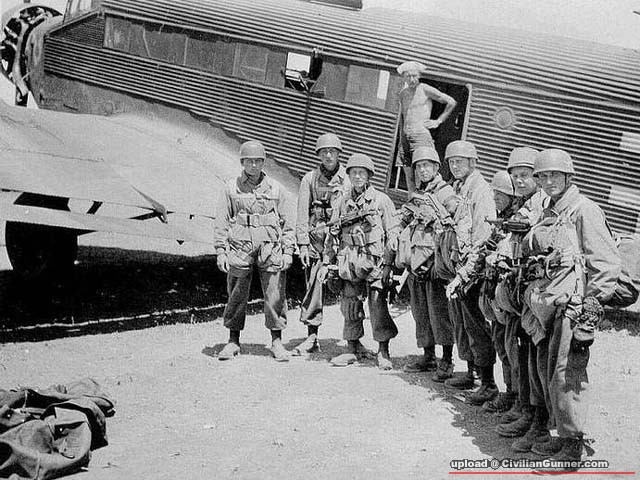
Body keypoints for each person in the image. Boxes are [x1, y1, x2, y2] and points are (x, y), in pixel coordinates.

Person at [521, 149, 620, 472]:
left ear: (568, 176)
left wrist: (591, 310)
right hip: (550, 302)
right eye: (543, 176)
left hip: (574, 306)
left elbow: (606, 263)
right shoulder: (549, 210)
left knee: (568, 374)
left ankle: (573, 446)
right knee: (548, 369)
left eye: (555, 175)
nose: (549, 181)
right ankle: (560, 434)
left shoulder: (584, 210)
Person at [214, 140, 295, 362]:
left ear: (263, 162)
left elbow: (288, 222)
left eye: (258, 161)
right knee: (236, 293)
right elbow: (222, 221)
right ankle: (233, 340)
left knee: (275, 294)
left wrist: (288, 251)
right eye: (249, 161)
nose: (253, 165)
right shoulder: (231, 188)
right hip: (240, 247)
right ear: (242, 162)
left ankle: (276, 341)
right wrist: (221, 250)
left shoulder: (276, 189)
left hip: (269, 247)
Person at [321, 153, 400, 370]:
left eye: (362, 173)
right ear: (348, 175)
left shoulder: (381, 201)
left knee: (377, 305)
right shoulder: (342, 202)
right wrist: (328, 261)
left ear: (369, 176)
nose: (357, 176)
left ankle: (383, 350)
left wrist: (388, 264)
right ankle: (352, 347)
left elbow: (393, 233)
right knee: (350, 303)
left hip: (375, 261)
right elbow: (332, 234)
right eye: (354, 173)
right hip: (350, 260)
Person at [443, 140, 498, 406]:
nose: (455, 166)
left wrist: (467, 271)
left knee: (476, 326)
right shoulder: (460, 187)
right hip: (460, 266)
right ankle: (471, 373)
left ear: (472, 162)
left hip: (473, 269)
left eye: (460, 162)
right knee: (462, 323)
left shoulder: (481, 191)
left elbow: (483, 236)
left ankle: (488, 383)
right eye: (452, 162)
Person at [396, 146, 456, 377]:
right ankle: (428, 355)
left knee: (439, 313)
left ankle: (447, 360)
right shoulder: (418, 192)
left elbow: (453, 222)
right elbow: (406, 219)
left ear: (436, 167)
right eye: (418, 167)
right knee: (420, 312)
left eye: (426, 166)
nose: (422, 170)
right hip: (416, 261)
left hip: (435, 263)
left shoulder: (445, 192)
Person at [293, 132, 350, 355]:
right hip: (317, 241)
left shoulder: (349, 179)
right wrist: (303, 244)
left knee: (350, 290)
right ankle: (312, 336)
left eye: (332, 151)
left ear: (338, 153)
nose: (328, 155)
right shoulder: (310, 179)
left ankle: (353, 340)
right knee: (313, 288)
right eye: (324, 152)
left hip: (342, 242)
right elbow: (301, 213)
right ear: (318, 154)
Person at [397, 61, 457, 194]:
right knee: (408, 172)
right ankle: (412, 199)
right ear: (404, 77)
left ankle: (429, 199)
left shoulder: (424, 89)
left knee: (425, 172)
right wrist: (402, 139)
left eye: (414, 76)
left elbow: (451, 102)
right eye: (408, 76)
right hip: (405, 137)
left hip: (421, 136)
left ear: (419, 76)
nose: (412, 79)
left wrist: (438, 121)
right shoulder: (403, 94)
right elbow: (403, 117)